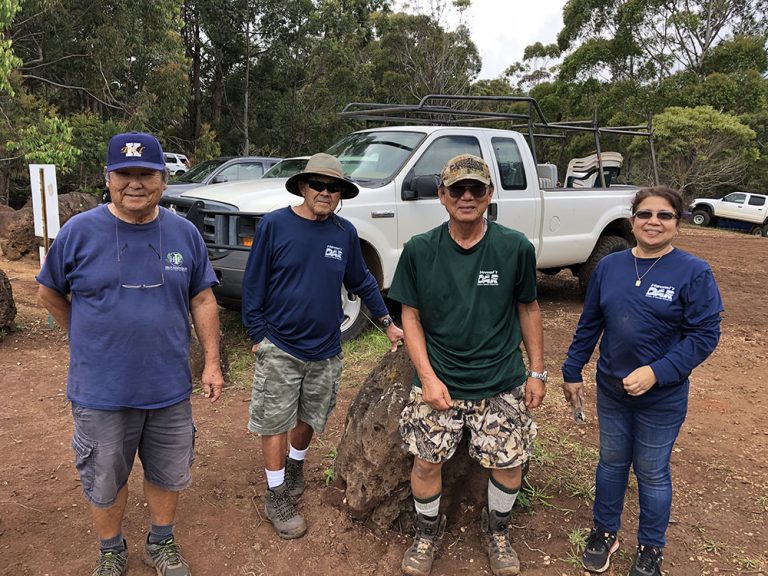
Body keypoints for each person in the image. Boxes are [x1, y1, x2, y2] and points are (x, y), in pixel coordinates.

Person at [36, 131, 224, 576]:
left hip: (168, 387)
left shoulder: (184, 233)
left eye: (146, 174)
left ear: (163, 178)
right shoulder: (80, 232)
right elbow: (48, 292)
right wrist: (83, 335)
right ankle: (110, 549)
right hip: (101, 391)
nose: (135, 183)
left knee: (168, 471)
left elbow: (203, 299)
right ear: (108, 177)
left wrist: (212, 362)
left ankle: (161, 543)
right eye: (125, 173)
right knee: (104, 476)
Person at [388, 154, 546, 576]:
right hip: (440, 381)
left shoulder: (514, 247)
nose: (467, 196)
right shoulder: (420, 250)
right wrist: (427, 378)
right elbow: (411, 316)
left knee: (509, 462)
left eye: (476, 189)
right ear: (442, 196)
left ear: (489, 195)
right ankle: (427, 531)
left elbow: (528, 308)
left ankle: (496, 530)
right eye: (457, 189)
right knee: (425, 461)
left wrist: (537, 371)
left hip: (500, 379)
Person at [562, 186, 723, 576]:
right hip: (612, 390)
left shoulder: (693, 272)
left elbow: (704, 335)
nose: (654, 222)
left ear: (677, 224)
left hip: (662, 397)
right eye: (645, 214)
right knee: (612, 463)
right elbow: (591, 323)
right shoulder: (610, 266)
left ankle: (651, 547)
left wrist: (657, 371)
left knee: (652, 471)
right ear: (633, 220)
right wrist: (572, 369)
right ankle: (604, 532)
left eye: (664, 215)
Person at [241, 152, 403, 540]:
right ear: (303, 186)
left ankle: (295, 466)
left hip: (325, 347)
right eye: (319, 185)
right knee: (274, 421)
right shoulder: (275, 226)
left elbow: (362, 280)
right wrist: (258, 334)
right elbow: (253, 284)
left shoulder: (344, 233)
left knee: (309, 417)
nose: (326, 193)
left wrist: (387, 324)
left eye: (334, 188)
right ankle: (276, 493)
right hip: (280, 344)